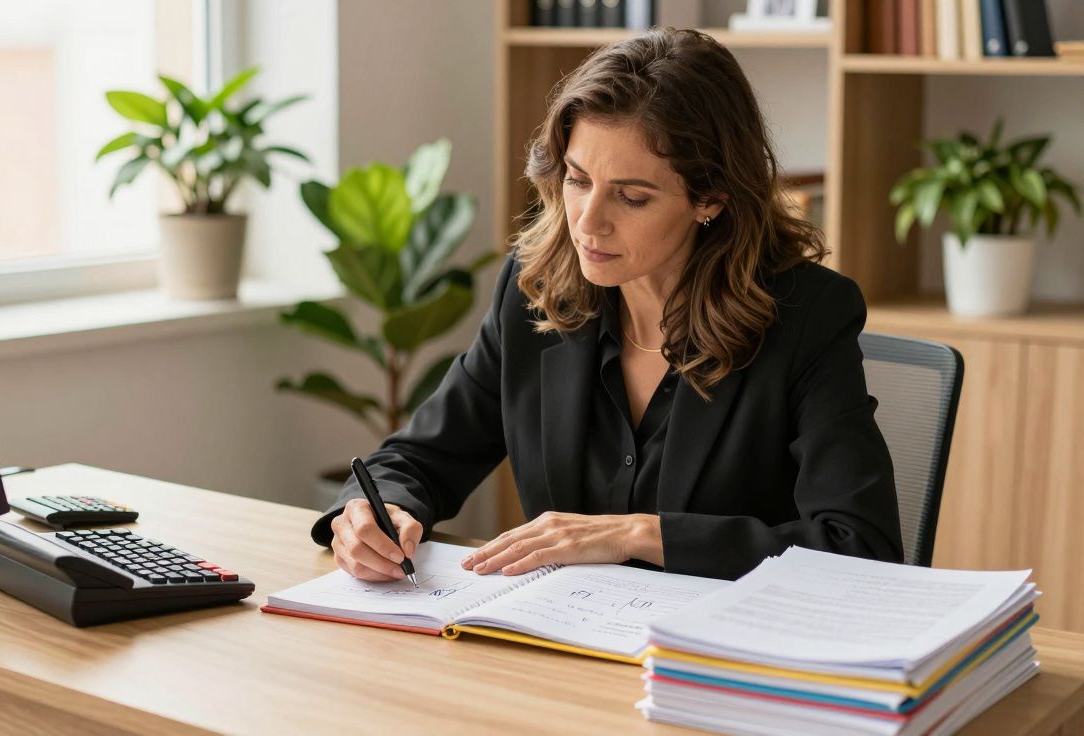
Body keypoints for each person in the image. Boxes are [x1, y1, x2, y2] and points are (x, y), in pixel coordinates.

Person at [311, 28, 903, 583]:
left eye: (632, 197)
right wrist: (374, 511)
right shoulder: (535, 289)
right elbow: (422, 457)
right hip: (560, 639)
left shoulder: (807, 316)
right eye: (577, 180)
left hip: (722, 647)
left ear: (712, 199)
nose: (588, 222)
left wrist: (639, 535)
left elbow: (860, 546)